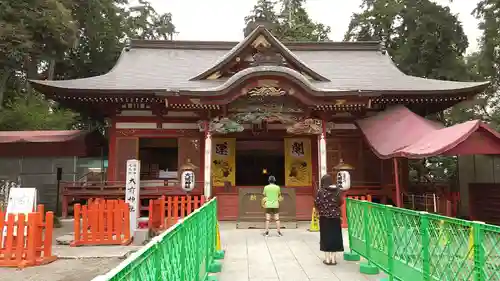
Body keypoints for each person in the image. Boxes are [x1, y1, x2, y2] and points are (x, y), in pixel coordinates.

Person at [314, 174, 344, 265]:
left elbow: (317, 203)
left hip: (324, 217)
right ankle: (334, 259)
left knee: (325, 237)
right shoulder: (337, 190)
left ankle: (327, 259)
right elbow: (340, 202)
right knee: (335, 236)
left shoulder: (321, 191)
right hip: (335, 217)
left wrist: (320, 209)